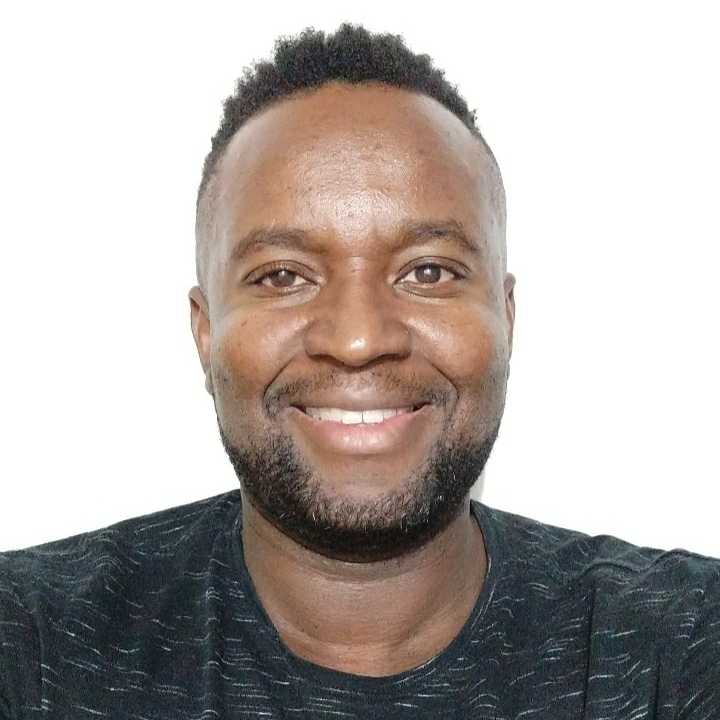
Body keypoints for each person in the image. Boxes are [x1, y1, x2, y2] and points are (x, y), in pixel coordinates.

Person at [1, 22, 717, 719]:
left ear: (506, 317)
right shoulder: (32, 644)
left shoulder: (679, 645)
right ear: (205, 332)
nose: (357, 339)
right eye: (283, 275)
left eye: (428, 271)